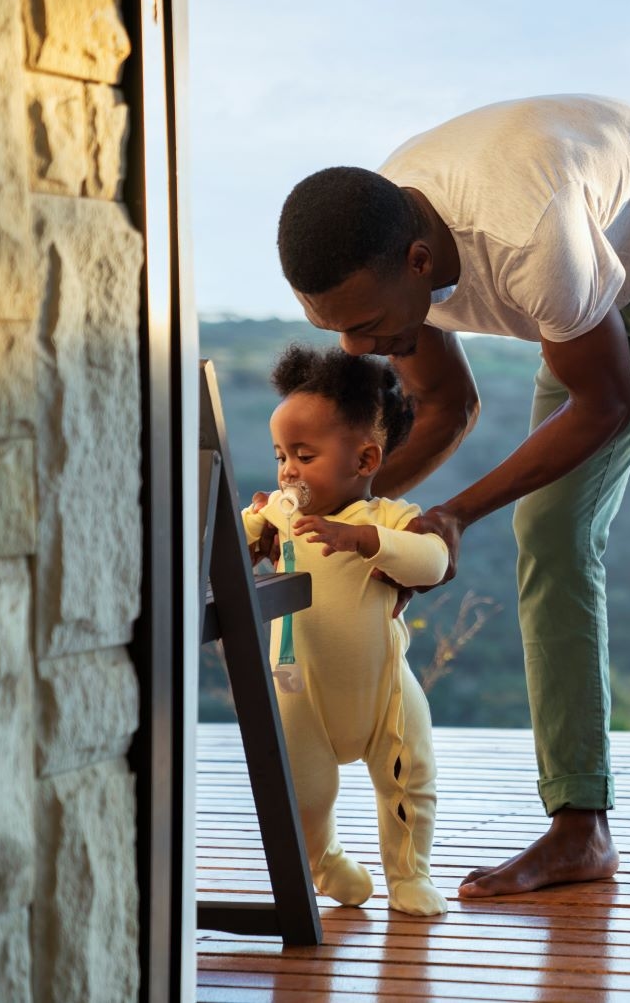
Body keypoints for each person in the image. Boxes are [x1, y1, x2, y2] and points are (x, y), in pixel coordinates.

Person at [275, 94, 630, 923]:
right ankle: (579, 825)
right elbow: (447, 404)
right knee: (549, 530)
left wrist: (449, 516)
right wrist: (351, 528)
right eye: (336, 331)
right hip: (603, 280)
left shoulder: (526, 236)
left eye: (369, 326)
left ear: (418, 262)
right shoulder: (382, 234)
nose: (358, 351)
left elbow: (604, 402)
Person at [243, 345, 451, 916]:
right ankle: (325, 861)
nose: (287, 469)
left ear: (364, 461)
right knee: (303, 795)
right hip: (297, 690)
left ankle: (408, 874)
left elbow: (433, 561)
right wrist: (251, 524)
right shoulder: (280, 517)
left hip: (383, 689)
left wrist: (367, 542)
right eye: (281, 454)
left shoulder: (384, 517)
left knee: (410, 780)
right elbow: (229, 550)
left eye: (304, 455)